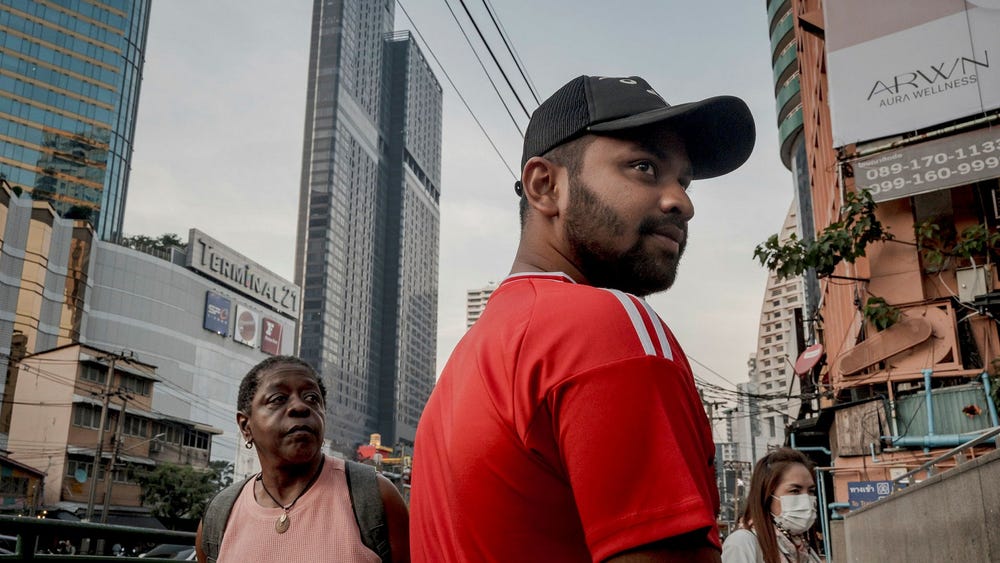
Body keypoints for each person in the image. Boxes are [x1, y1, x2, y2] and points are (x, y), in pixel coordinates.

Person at [410, 75, 755, 562]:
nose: (682, 201)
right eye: (644, 166)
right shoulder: (606, 326)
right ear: (545, 186)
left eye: (684, 179)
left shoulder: (469, 362)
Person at [194, 355, 410, 563]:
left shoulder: (374, 497)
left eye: (312, 398)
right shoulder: (219, 516)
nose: (300, 407)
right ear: (245, 426)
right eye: (278, 399)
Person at [721, 448, 822, 563]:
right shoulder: (743, 543)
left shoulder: (802, 548)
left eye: (811, 491)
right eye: (794, 491)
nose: (806, 499)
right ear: (767, 494)